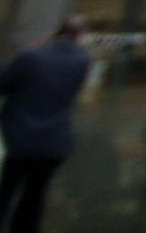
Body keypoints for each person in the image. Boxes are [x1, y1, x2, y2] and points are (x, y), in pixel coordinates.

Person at [0, 16, 93, 233]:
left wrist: (35, 49)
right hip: (54, 141)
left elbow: (5, 84)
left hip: (21, 137)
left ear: (56, 33)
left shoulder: (32, 56)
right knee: (35, 196)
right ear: (80, 36)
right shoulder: (83, 61)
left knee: (8, 192)